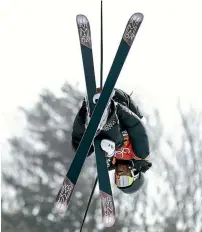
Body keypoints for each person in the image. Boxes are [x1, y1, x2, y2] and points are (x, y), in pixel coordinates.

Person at [71, 88, 152, 194]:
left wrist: (107, 155)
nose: (119, 175)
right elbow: (136, 126)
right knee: (117, 144)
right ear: (134, 174)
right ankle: (105, 112)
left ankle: (86, 112)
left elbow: (100, 147)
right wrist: (115, 107)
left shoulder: (110, 164)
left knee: (81, 150)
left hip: (102, 125)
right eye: (124, 180)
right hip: (120, 103)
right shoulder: (140, 155)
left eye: (118, 181)